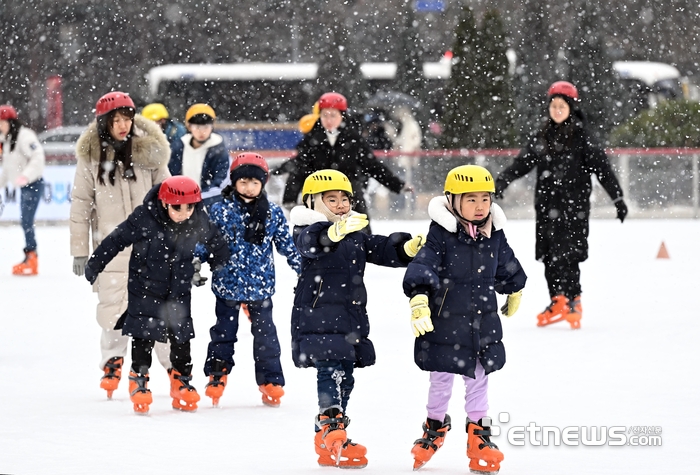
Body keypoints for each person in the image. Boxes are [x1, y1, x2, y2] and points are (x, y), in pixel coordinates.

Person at [289, 169, 425, 468]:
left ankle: (326, 436)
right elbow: (312, 244)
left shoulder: (354, 234)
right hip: (317, 316)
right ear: (313, 203)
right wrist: (332, 233)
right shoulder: (305, 228)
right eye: (332, 199)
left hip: (349, 318)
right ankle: (333, 430)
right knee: (329, 372)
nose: (340, 205)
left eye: (345, 199)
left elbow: (380, 247)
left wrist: (406, 248)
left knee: (345, 378)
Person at [403, 165, 527, 473]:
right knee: (441, 380)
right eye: (470, 199)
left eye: (485, 198)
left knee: (478, 379)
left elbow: (507, 264)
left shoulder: (494, 235)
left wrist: (515, 288)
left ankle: (478, 436)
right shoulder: (440, 234)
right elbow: (423, 265)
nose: (480, 206)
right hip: (444, 322)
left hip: (481, 324)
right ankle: (434, 428)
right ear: (452, 201)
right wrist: (419, 297)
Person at [83, 176, 230, 414]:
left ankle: (181, 381)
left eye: (190, 207)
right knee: (144, 335)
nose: (184, 213)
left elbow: (214, 240)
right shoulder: (145, 217)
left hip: (178, 290)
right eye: (177, 207)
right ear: (164, 203)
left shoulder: (197, 219)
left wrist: (220, 261)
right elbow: (117, 239)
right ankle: (139, 378)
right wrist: (95, 264)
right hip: (145, 288)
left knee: (182, 337)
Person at [494, 81, 628, 330]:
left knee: (569, 255)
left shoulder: (583, 138)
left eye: (561, 105)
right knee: (548, 255)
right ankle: (557, 299)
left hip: (573, 208)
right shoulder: (542, 136)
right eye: (553, 105)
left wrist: (617, 199)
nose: (556, 110)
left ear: (571, 107)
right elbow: (522, 163)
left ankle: (574, 299)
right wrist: (501, 181)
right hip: (546, 206)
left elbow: (603, 170)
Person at [70, 91, 172, 398]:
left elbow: (169, 195)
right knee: (113, 305)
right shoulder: (91, 157)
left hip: (152, 245)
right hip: (112, 246)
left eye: (126, 118)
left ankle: (173, 366)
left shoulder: (150, 149)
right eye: (115, 120)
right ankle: (112, 361)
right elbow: (81, 204)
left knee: (161, 307)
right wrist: (79, 250)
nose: (122, 125)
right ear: (104, 122)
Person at [200, 152, 301, 407]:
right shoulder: (220, 210)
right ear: (234, 182)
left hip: (261, 286)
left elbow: (286, 245)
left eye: (255, 182)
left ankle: (271, 380)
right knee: (223, 332)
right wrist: (193, 261)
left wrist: (303, 270)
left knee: (266, 336)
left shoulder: (272, 213)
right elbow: (205, 242)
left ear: (262, 184)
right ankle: (217, 373)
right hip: (227, 285)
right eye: (243, 181)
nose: (249, 187)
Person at [281, 92, 411, 225]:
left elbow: (372, 165)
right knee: (318, 232)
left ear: (342, 116)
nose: (329, 120)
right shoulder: (312, 139)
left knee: (359, 227)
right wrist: (289, 198)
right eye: (325, 115)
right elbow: (299, 169)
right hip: (320, 192)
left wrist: (397, 184)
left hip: (350, 191)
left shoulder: (353, 138)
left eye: (333, 115)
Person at [0, 104, 45, 275]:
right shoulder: (7, 140)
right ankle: (30, 255)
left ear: (11, 122)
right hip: (24, 186)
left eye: (2, 123)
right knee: (25, 221)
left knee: (26, 220)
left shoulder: (25, 136)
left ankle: (32, 257)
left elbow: (38, 156)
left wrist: (26, 175)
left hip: (33, 184)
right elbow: (7, 169)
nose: (0, 127)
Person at [168, 103, 229, 208]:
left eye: (206, 127)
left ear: (212, 126)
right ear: (189, 127)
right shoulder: (178, 147)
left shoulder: (218, 150)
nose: (201, 131)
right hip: (180, 205)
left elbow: (220, 183)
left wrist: (199, 201)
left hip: (208, 206)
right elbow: (169, 176)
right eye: (196, 127)